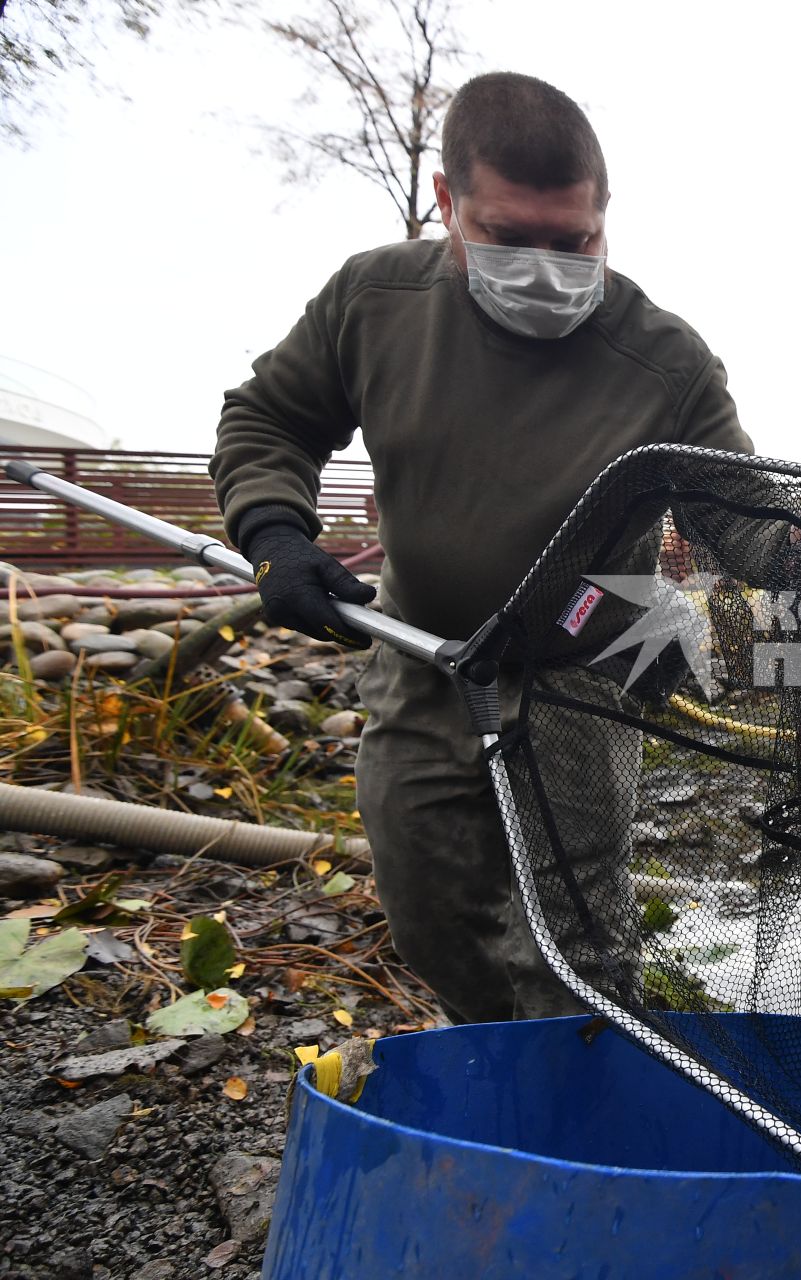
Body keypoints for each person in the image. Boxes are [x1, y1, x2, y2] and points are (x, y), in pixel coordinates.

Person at [209, 72, 754, 1024]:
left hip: (579, 672)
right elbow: (269, 420)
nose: (546, 265)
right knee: (427, 909)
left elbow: (738, 509)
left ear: (605, 218)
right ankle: (496, 1057)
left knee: (574, 940)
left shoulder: (664, 363)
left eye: (573, 240)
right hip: (421, 652)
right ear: (447, 203)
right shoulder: (374, 303)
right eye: (509, 237)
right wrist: (274, 534)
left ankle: (579, 1094)